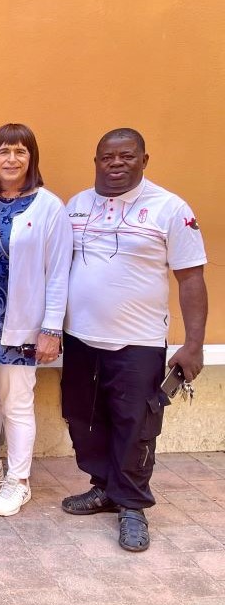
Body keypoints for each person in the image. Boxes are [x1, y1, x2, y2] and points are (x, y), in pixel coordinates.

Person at [61, 128, 207, 552]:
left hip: (138, 341)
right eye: (107, 157)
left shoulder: (170, 209)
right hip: (81, 338)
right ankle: (103, 487)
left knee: (136, 425)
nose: (117, 164)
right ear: (96, 161)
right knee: (84, 419)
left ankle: (131, 505)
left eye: (127, 156)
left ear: (145, 160)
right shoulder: (76, 206)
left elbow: (191, 278)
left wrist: (193, 343)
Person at [0, 123, 72, 516]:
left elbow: (58, 272)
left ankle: (18, 480)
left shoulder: (48, 206)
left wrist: (51, 328)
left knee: (17, 403)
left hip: (20, 321)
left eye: (20, 152)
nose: (11, 159)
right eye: (3, 151)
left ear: (31, 158)